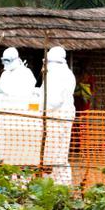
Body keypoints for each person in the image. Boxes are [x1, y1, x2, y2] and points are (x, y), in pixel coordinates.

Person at [40, 46, 76, 186]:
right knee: (61, 153)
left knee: (53, 154)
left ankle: (56, 184)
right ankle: (62, 184)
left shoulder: (55, 74)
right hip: (66, 116)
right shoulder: (68, 73)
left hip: (56, 117)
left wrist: (41, 108)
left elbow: (54, 101)